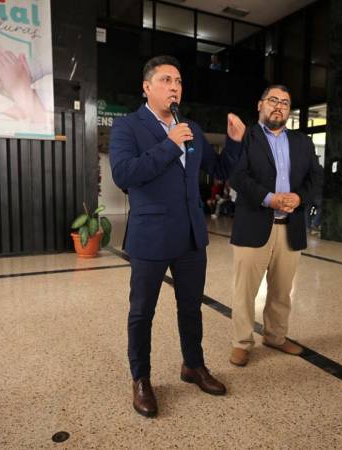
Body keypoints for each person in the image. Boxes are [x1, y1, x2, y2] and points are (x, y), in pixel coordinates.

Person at [109, 55, 246, 418]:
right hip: (150, 236)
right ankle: (141, 379)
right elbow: (124, 174)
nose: (174, 87)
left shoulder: (191, 128)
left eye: (179, 81)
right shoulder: (128, 127)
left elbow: (219, 170)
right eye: (166, 80)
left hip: (190, 237)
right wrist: (169, 145)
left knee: (191, 307)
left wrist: (233, 143)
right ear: (147, 87)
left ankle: (193, 365)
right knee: (142, 312)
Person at [228, 84, 323, 367]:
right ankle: (241, 342)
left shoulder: (303, 142)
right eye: (273, 100)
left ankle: (276, 336)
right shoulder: (246, 137)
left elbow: (316, 177)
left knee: (282, 291)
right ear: (260, 105)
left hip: (290, 226)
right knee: (245, 291)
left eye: (285, 102)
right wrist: (269, 198)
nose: (279, 106)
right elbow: (237, 176)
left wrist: (299, 197)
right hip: (253, 224)